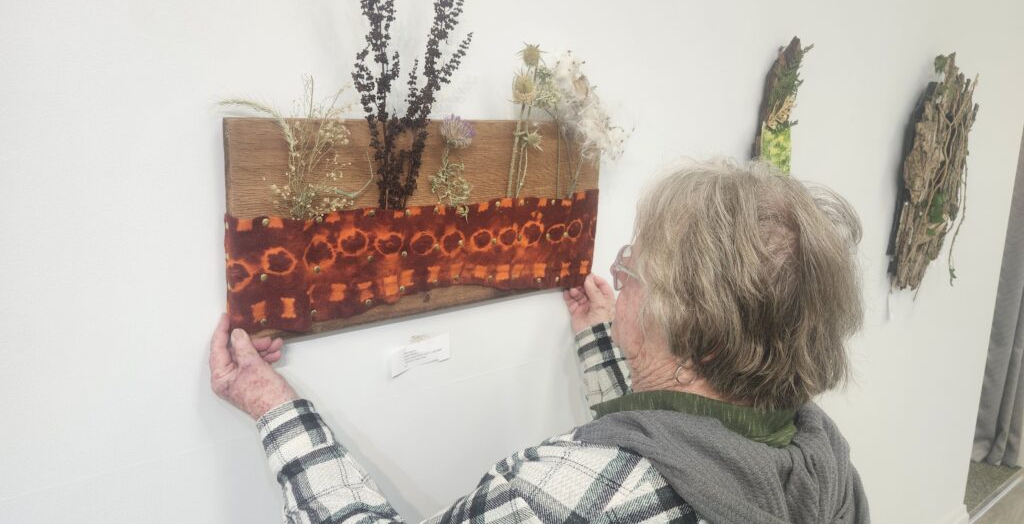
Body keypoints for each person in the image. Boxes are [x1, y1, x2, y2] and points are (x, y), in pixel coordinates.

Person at [210, 159, 870, 524]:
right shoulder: (819, 458)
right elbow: (681, 437)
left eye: (634, 270)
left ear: (701, 340)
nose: (619, 274)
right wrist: (604, 337)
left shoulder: (559, 498)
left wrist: (273, 407)